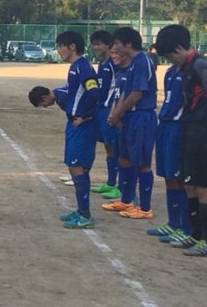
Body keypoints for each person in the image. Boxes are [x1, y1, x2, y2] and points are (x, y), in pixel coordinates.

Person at [155, 25, 207, 256]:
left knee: (203, 186)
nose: (169, 61)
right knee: (189, 183)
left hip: (204, 131)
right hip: (189, 129)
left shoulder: (200, 66)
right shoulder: (184, 67)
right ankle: (194, 234)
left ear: (179, 48)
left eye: (170, 56)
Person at [29, 30, 100, 229]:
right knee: (75, 167)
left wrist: (86, 117)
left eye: (61, 46)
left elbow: (95, 92)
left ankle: (85, 215)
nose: (59, 50)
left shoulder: (82, 66)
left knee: (77, 167)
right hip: (75, 124)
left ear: (72, 47)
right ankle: (81, 210)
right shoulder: (75, 67)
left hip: (82, 125)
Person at [101, 27, 157, 220]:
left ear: (129, 43)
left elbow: (137, 93)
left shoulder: (143, 62)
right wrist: (116, 114)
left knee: (142, 163)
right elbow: (125, 92)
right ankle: (126, 200)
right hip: (129, 118)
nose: (114, 47)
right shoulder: (131, 64)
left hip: (141, 117)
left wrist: (118, 113)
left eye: (117, 43)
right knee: (124, 159)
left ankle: (145, 208)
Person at [145, 41, 186, 243]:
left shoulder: (192, 71)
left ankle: (185, 226)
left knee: (180, 177)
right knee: (168, 176)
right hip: (165, 125)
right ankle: (173, 222)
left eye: (169, 55)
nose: (168, 59)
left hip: (179, 128)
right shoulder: (170, 72)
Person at [89, 30, 121, 200]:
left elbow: (118, 88)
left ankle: (119, 185)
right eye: (94, 45)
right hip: (101, 109)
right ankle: (110, 182)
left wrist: (114, 109)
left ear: (108, 45)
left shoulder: (114, 64)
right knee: (108, 146)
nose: (96, 48)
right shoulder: (102, 64)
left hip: (110, 109)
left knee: (115, 146)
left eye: (99, 44)